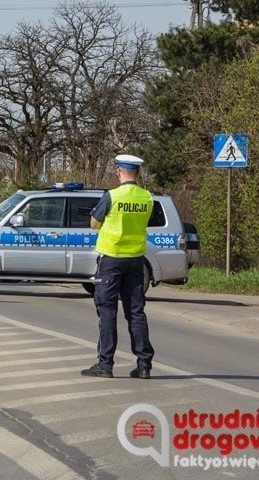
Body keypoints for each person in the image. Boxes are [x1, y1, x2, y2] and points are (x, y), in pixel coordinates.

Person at [81, 154, 155, 380]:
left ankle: (105, 364)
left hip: (111, 260)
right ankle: (144, 366)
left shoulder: (111, 196)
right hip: (136, 260)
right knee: (136, 312)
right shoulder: (147, 197)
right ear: (137, 173)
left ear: (119, 172)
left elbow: (94, 224)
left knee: (107, 311)